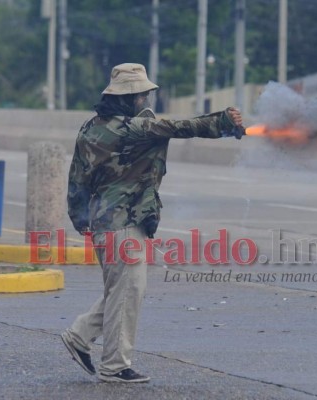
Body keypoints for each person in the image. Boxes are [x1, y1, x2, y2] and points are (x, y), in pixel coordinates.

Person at [61, 63, 244, 383]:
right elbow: (183, 127)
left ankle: (79, 335)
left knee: (124, 289)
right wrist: (225, 121)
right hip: (124, 222)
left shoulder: (91, 128)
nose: (147, 99)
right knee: (128, 291)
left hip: (104, 223)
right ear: (129, 97)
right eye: (142, 94)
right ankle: (114, 366)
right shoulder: (133, 130)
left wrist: (82, 221)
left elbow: (76, 179)